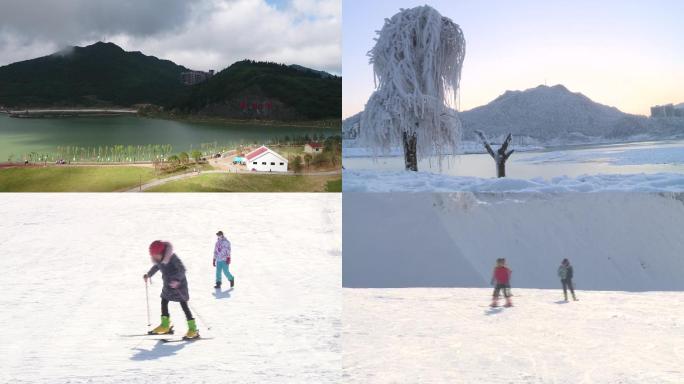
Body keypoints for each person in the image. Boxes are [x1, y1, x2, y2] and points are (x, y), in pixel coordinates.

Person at [143, 240, 199, 339]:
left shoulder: (173, 258)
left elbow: (182, 270)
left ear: (162, 252)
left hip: (179, 285)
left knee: (184, 305)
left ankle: (193, 329)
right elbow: (156, 267)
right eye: (153, 256)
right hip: (168, 285)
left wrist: (177, 280)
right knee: (164, 301)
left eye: (156, 255)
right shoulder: (159, 260)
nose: (155, 258)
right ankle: (165, 326)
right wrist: (149, 275)